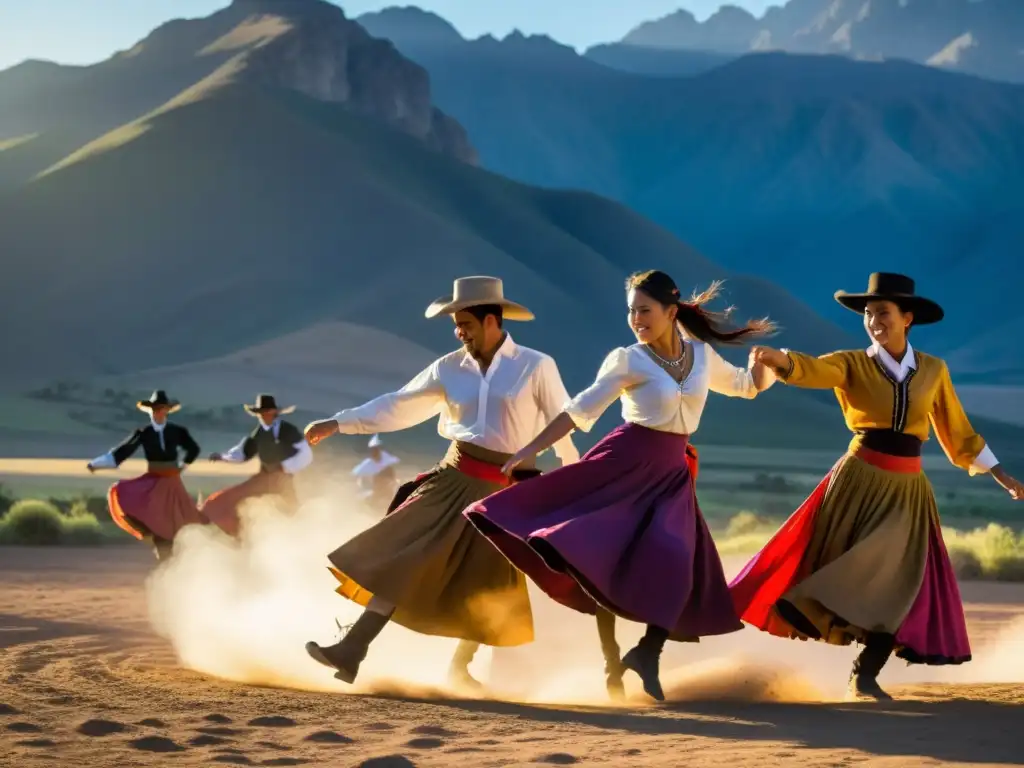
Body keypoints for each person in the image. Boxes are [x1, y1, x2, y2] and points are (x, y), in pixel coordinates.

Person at [464, 270, 777, 702]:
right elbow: (578, 411)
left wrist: (766, 366)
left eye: (644, 310)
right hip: (624, 464)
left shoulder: (702, 357)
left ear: (671, 312)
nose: (635, 319)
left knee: (679, 562)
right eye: (631, 311)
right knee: (603, 557)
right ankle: (613, 661)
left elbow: (747, 387)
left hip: (671, 474)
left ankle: (646, 652)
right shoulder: (628, 359)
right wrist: (530, 449)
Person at [729, 272, 1024, 701]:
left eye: (882, 313)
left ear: (907, 318)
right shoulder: (851, 363)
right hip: (859, 480)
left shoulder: (934, 371)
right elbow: (815, 370)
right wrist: (781, 360)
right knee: (858, 565)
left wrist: (1001, 474)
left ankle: (865, 674)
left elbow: (958, 432)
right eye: (868, 314)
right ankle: (810, 611)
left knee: (903, 581)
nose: (873, 321)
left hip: (907, 488)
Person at [302, 276, 580, 691]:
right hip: (452, 478)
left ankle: (460, 668)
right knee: (407, 555)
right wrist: (339, 422)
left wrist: (573, 477)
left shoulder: (536, 365)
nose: (458, 331)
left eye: (464, 322)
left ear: (491, 320)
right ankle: (352, 648)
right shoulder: (449, 366)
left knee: (487, 580)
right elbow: (399, 404)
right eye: (455, 323)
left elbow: (564, 421)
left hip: (509, 490)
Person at [86, 390, 203, 560]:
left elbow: (194, 449)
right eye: (154, 409)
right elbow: (121, 452)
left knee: (182, 525)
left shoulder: (177, 431)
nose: (157, 412)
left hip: (172, 483)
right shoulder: (143, 433)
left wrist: (182, 467)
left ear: (167, 410)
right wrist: (96, 464)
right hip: (153, 482)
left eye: (161, 409)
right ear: (150, 411)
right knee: (123, 494)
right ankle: (159, 550)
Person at [202, 394, 313, 535]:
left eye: (267, 411)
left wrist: (285, 467)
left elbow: (305, 453)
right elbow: (243, 452)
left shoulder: (287, 430)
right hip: (263, 479)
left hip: (281, 480)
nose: (264, 415)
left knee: (291, 512)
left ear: (274, 412)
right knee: (227, 502)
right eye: (261, 412)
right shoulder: (259, 433)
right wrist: (222, 457)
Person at [351, 434, 401, 514]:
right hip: (378, 495)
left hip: (384, 496)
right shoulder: (371, 466)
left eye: (376, 452)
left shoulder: (386, 468)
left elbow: (390, 482)